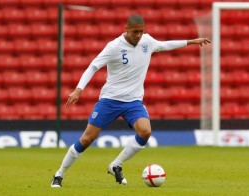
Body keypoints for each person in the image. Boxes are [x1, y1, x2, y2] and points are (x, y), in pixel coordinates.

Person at [51, 14, 211, 188]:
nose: (139, 35)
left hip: (133, 101)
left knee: (145, 131)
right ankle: (59, 175)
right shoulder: (113, 47)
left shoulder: (147, 41)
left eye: (141, 31)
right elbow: (93, 66)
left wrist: (192, 41)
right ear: (126, 29)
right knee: (87, 139)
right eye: (135, 31)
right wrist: (78, 89)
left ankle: (116, 165)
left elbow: (164, 45)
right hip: (110, 100)